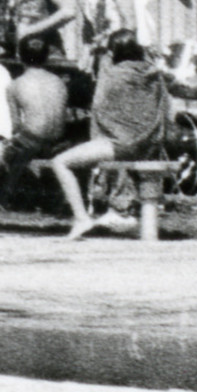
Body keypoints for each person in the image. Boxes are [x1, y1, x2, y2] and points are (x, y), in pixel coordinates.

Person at [48, 31, 173, 238]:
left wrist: (98, 47)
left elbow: (98, 99)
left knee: (60, 162)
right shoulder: (153, 75)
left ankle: (81, 218)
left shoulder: (113, 73)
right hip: (149, 143)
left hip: (121, 144)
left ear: (113, 53)